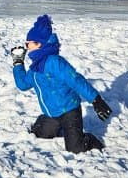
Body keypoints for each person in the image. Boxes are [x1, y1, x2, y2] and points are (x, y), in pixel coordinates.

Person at [11, 14, 111, 154]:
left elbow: (76, 80)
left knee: (75, 148)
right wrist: (18, 63)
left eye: (28, 43)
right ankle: (46, 123)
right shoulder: (35, 68)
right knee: (40, 135)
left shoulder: (55, 62)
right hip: (51, 113)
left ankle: (90, 140)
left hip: (69, 111)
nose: (26, 47)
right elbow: (23, 84)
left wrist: (96, 100)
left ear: (39, 44)